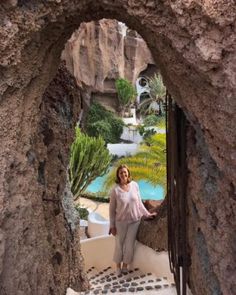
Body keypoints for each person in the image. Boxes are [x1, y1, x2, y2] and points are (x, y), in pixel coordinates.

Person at [109, 164, 156, 275]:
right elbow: (111, 210)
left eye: (125, 172)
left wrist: (147, 214)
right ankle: (118, 267)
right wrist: (112, 226)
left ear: (128, 173)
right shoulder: (115, 190)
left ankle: (125, 265)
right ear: (118, 175)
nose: (123, 174)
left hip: (135, 221)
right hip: (120, 222)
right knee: (119, 245)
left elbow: (139, 203)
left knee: (129, 244)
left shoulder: (135, 185)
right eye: (121, 173)